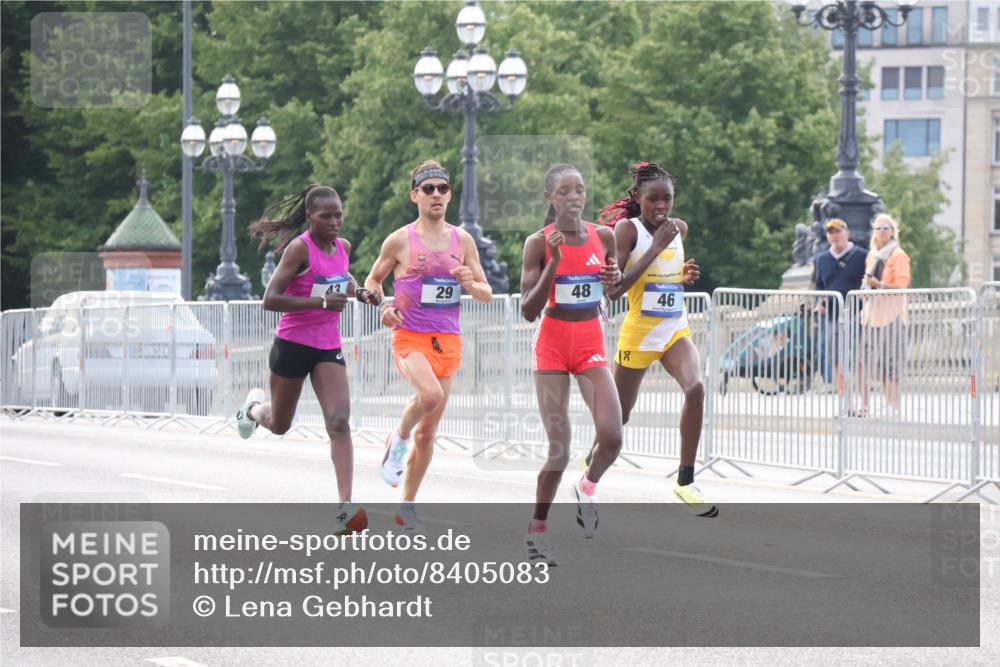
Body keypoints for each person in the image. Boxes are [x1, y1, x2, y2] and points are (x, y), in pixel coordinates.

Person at [238, 184, 381, 533]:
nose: (335, 222)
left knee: (339, 420)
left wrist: (360, 292)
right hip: (292, 345)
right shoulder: (298, 250)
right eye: (326, 216)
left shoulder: (343, 247)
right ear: (310, 217)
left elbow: (341, 277)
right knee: (280, 424)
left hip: (327, 346)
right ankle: (252, 411)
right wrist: (319, 303)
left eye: (338, 214)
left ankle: (346, 508)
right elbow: (269, 299)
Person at [364, 160, 493, 532]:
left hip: (447, 340)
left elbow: (486, 293)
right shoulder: (400, 240)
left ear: (450, 194)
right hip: (410, 337)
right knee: (431, 395)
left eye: (443, 188)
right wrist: (383, 306)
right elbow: (373, 280)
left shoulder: (463, 241)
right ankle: (398, 438)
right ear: (415, 195)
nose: (436, 194)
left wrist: (470, 283)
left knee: (430, 432)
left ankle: (407, 503)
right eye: (429, 188)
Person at [592, 161, 717, 518]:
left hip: (674, 329)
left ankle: (685, 481)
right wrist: (655, 248)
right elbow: (615, 290)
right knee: (620, 418)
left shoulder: (679, 228)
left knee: (696, 387)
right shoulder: (626, 231)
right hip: (639, 334)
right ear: (638, 198)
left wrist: (683, 275)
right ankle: (592, 469)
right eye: (654, 200)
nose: (662, 207)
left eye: (668, 199)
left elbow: (667, 278)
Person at [519, 163, 624, 566]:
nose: (575, 197)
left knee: (611, 437)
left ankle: (587, 487)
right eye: (565, 192)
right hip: (552, 347)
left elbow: (611, 291)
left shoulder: (604, 235)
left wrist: (613, 279)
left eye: (579, 190)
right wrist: (554, 263)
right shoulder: (538, 243)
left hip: (590, 344)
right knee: (559, 451)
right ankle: (539, 527)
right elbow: (529, 310)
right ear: (550, 198)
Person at [855, 213, 911, 418]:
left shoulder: (898, 255)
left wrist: (878, 285)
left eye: (886, 227)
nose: (881, 231)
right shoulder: (872, 255)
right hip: (873, 315)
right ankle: (884, 403)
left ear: (893, 231)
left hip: (892, 314)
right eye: (878, 228)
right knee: (876, 363)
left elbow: (902, 285)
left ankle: (893, 404)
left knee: (891, 361)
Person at [811, 218, 866, 387]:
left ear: (847, 233)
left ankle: (861, 399)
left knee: (858, 358)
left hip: (857, 314)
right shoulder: (821, 259)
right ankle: (844, 399)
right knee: (835, 358)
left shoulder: (862, 256)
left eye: (838, 231)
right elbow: (819, 285)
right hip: (832, 316)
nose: (835, 236)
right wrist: (818, 303)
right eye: (831, 233)